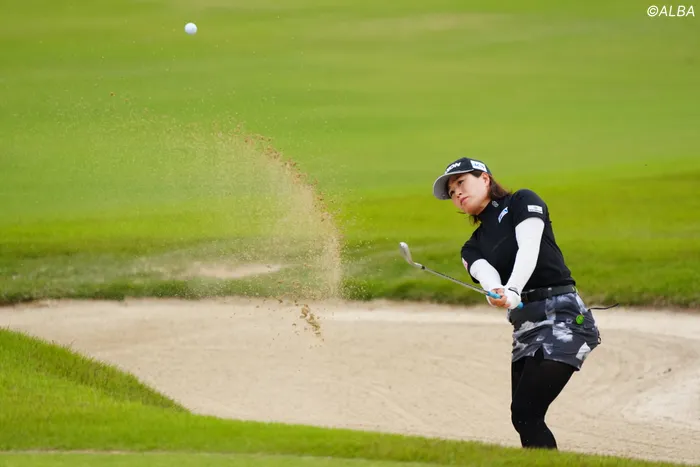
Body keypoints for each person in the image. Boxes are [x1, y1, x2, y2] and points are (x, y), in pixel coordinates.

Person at [432, 157, 603, 450]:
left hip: (562, 317)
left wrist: (513, 290)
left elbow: (529, 247)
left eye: (461, 182)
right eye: (451, 192)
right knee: (524, 417)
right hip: (525, 329)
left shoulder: (522, 201)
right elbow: (486, 275)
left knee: (526, 412)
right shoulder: (472, 246)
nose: (457, 193)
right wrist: (496, 291)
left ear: (485, 179)